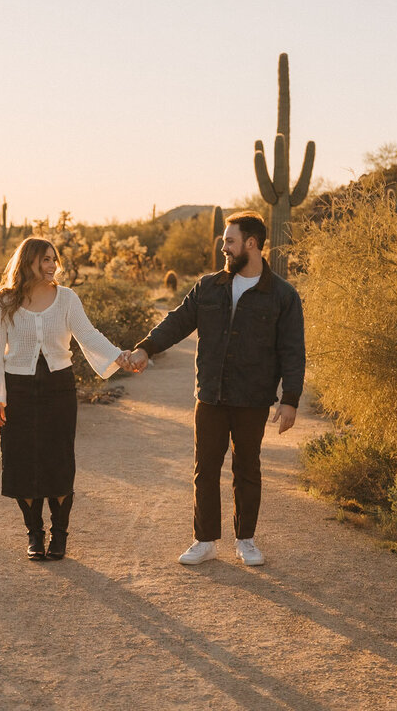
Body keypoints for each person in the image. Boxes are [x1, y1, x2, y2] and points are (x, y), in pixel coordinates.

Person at [126, 211, 305, 566]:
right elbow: (178, 320)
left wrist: (290, 400)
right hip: (210, 393)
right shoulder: (209, 286)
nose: (223, 247)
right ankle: (205, 540)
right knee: (205, 468)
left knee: (247, 470)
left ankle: (246, 540)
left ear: (251, 244)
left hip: (252, 398)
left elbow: (293, 350)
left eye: (230, 241)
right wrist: (146, 347)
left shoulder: (282, 295)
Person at [0, 237, 133, 561]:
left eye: (54, 259)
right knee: (21, 461)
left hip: (58, 388)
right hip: (17, 390)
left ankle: (59, 535)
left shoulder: (66, 298)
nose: (53, 265)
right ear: (28, 263)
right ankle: (34, 534)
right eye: (45, 260)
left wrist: (117, 356)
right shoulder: (4, 300)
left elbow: (88, 334)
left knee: (58, 460)